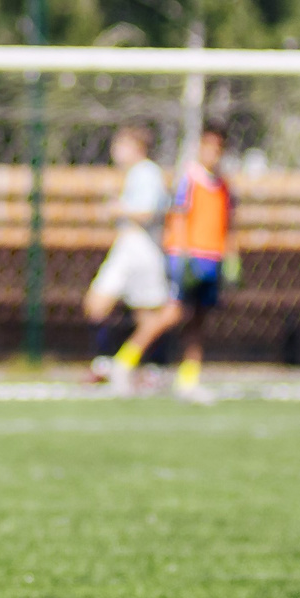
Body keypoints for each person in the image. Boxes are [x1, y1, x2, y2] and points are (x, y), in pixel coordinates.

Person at [122, 125, 236, 396]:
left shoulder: (223, 185)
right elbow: (179, 216)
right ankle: (124, 361)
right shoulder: (189, 178)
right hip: (188, 257)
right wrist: (182, 253)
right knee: (172, 313)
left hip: (211, 258)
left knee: (198, 320)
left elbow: (228, 223)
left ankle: (188, 379)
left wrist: (231, 255)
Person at [85, 125, 171, 391]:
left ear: (137, 147)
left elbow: (148, 212)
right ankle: (108, 363)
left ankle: (149, 368)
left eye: (121, 145)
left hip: (142, 247)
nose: (116, 151)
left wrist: (118, 208)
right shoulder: (134, 174)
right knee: (99, 303)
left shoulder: (148, 173)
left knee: (147, 314)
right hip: (128, 245)